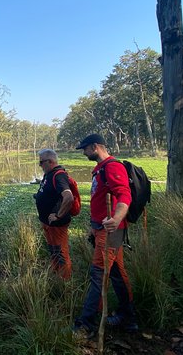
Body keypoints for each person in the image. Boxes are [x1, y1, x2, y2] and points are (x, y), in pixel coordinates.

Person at [73, 133, 138, 336]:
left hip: (111, 231)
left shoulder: (112, 166)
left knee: (98, 273)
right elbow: (100, 200)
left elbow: (124, 194)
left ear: (94, 147)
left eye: (85, 149)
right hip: (102, 229)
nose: (83, 153)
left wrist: (117, 218)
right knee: (117, 273)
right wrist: (94, 226)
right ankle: (129, 318)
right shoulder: (99, 169)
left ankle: (86, 323)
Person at [34, 149, 74, 279]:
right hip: (48, 223)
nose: (39, 165)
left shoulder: (59, 175)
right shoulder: (49, 174)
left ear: (50, 162)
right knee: (53, 250)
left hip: (57, 224)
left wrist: (58, 215)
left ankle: (65, 283)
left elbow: (68, 197)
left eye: (41, 162)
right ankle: (57, 274)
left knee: (61, 253)